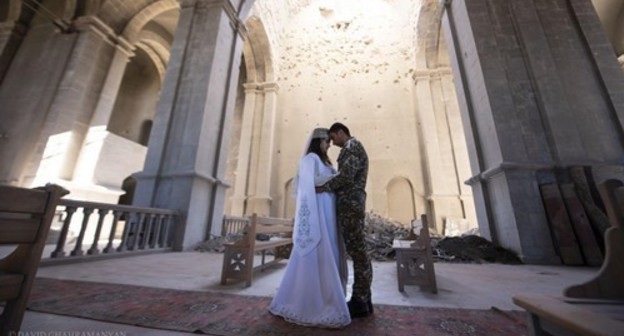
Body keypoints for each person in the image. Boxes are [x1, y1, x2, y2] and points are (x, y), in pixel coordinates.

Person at [268, 128, 351, 328]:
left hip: (328, 211)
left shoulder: (324, 161)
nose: (329, 145)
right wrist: (334, 179)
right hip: (318, 213)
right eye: (326, 142)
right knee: (319, 250)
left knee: (330, 249)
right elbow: (308, 183)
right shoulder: (310, 159)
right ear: (317, 142)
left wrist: (334, 180)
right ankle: (310, 302)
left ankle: (329, 296)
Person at [317, 122, 372, 318]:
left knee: (358, 252)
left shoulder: (352, 146)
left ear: (341, 133)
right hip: (351, 203)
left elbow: (347, 176)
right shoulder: (352, 148)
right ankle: (364, 297)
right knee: (358, 251)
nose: (332, 142)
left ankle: (360, 301)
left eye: (333, 137)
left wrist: (324, 187)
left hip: (351, 204)